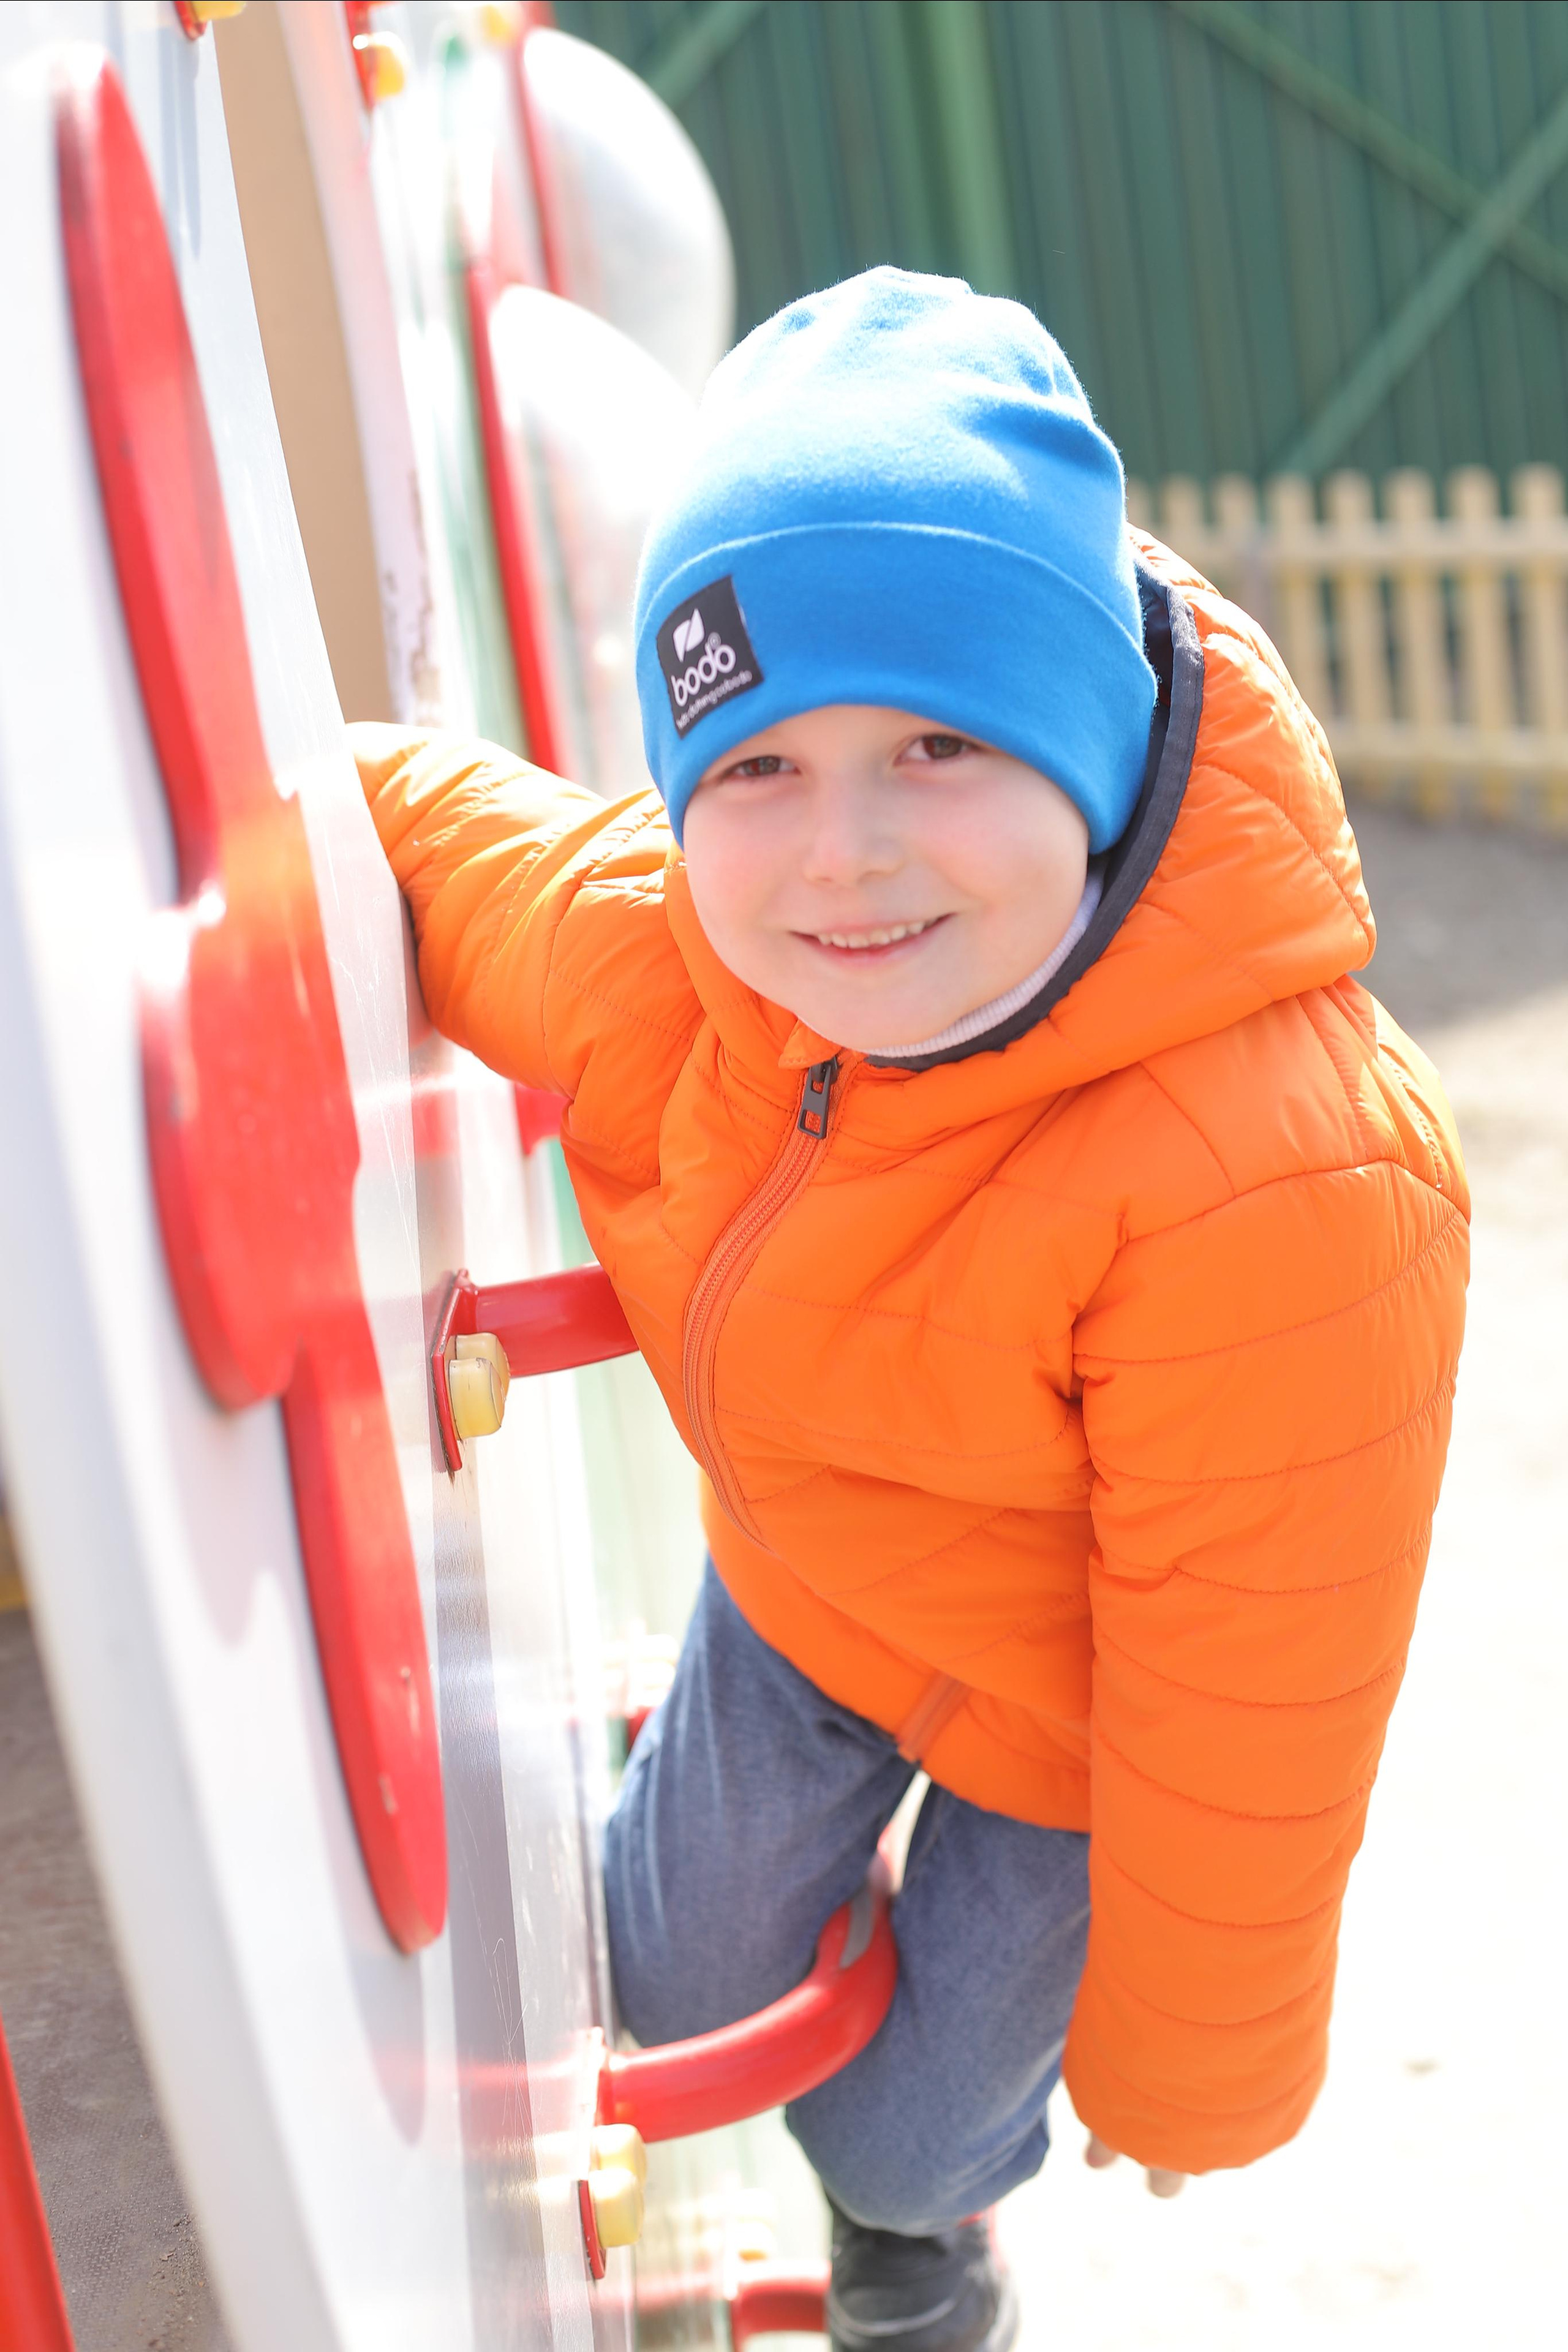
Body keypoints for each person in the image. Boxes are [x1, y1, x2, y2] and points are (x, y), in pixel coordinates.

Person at [352, 268, 1468, 2352]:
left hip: (1076, 1733)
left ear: (1096, 745)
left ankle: (929, 2256)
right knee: (658, 1973)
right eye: (756, 766)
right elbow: (445, 848)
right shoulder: (681, 957)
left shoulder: (1281, 1179)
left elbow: (1262, 1693)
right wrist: (262, 810)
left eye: (943, 744)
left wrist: (1190, 2069)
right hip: (813, 1596)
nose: (845, 857)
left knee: (907, 2133)